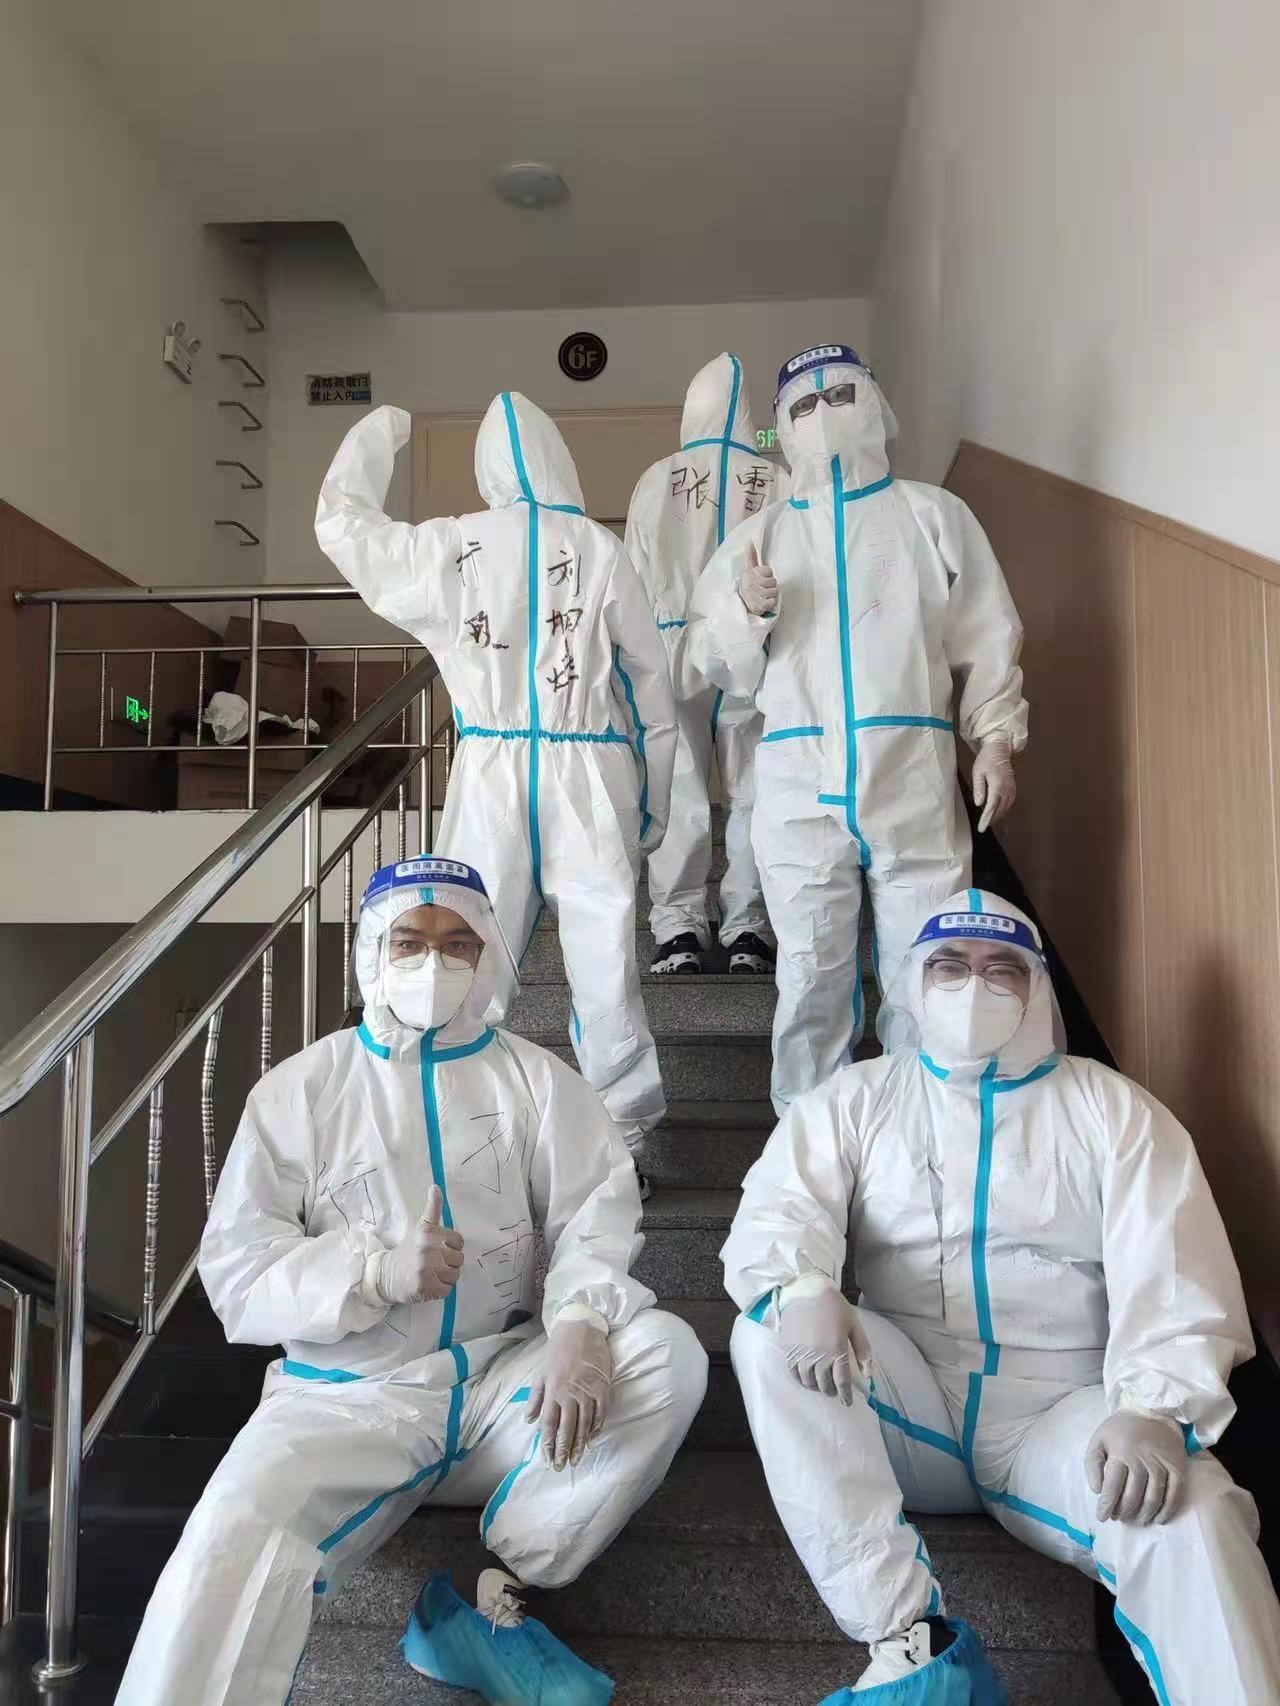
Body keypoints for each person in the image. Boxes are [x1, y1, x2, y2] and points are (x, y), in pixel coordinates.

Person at [117, 857, 708, 1706]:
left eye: (458, 943)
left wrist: (580, 1319)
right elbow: (238, 1273)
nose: (435, 963)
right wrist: (374, 1272)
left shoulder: (539, 1082)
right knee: (230, 1534)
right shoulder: (300, 1091)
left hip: (500, 1388)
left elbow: (594, 1212)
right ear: (373, 952)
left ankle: (493, 1589)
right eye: (411, 942)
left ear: (488, 954)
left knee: (666, 1354)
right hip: (346, 1402)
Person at [722, 888, 1280, 1703]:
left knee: (1195, 1511)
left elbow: (1174, 1265)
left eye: (1001, 969)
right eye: (950, 966)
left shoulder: (1114, 1110)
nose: (973, 987)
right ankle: (910, 1640)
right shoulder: (856, 1099)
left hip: (1065, 1416)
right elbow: (782, 1208)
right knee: (767, 1331)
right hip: (910, 1408)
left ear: (1036, 987)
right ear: (917, 982)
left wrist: (1154, 1409)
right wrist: (803, 1287)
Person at [315, 398, 677, 1160]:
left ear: (488, 470)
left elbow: (345, 527)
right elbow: (649, 684)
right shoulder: (599, 548)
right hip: (591, 769)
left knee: (468, 954)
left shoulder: (454, 545)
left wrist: (378, 435)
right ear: (558, 460)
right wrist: (654, 801)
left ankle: (459, 1140)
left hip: (490, 771)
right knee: (605, 965)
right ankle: (623, 1144)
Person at [687, 344, 1028, 1114]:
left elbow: (985, 633)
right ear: (783, 428)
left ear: (876, 405)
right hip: (798, 778)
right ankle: (812, 1144)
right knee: (811, 976)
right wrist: (746, 612)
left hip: (910, 770)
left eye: (841, 395)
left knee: (926, 970)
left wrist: (995, 739)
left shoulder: (931, 515)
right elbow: (718, 665)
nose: (825, 416)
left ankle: (925, 1138)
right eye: (803, 407)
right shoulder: (763, 535)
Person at [624, 352, 778, 975]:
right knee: (756, 792)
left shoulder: (656, 478)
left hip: (669, 647)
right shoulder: (776, 476)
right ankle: (749, 931)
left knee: (677, 788)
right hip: (753, 645)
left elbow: (632, 575)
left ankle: (679, 929)